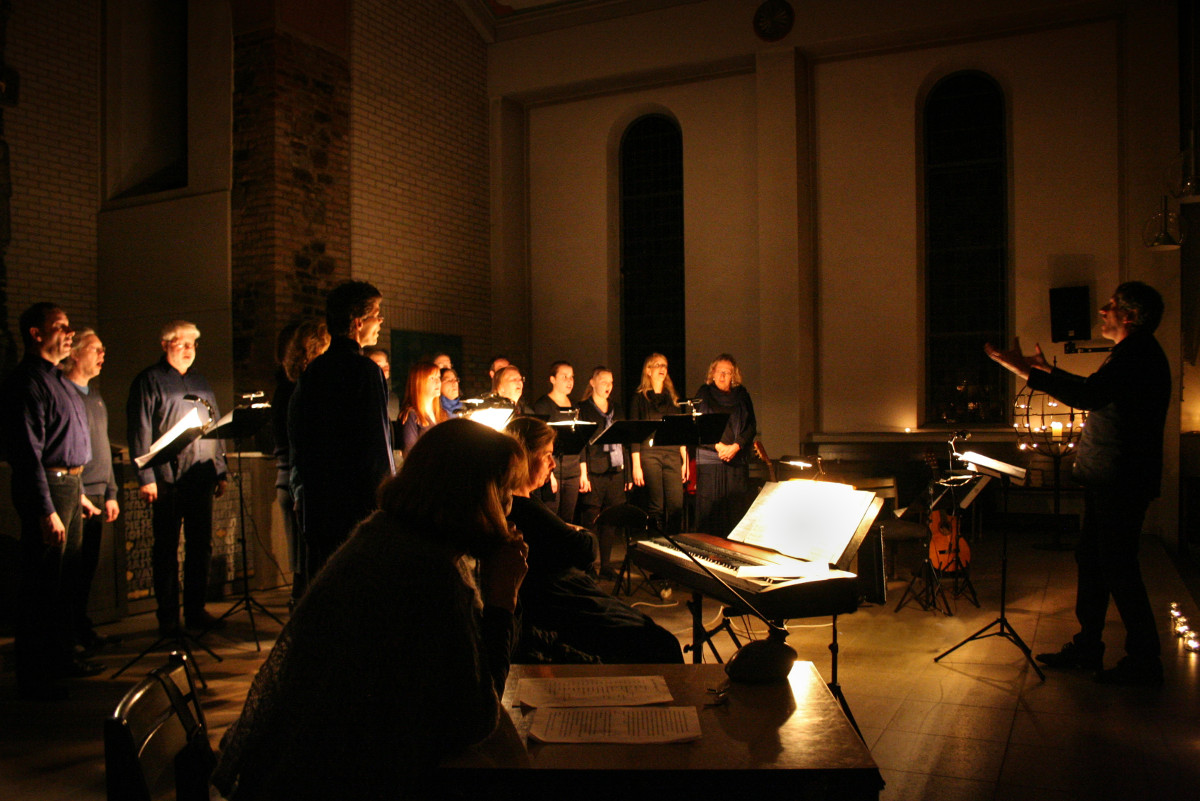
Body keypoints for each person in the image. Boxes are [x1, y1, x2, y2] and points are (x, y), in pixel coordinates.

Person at [212, 419, 529, 799]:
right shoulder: (426, 571)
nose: (510, 507)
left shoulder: (393, 535)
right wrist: (501, 602)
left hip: (308, 766)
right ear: (474, 494)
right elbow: (472, 720)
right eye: (505, 491)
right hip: (335, 780)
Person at [986, 281, 1170, 686]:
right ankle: (1088, 646)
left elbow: (1090, 397)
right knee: (1093, 562)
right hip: (1111, 478)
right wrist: (1039, 370)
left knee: (1119, 567)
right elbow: (1094, 390)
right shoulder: (1131, 353)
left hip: (1120, 479)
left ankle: (1144, 659)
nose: (1102, 311)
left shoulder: (1137, 353)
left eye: (1111, 306)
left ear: (1130, 315)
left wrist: (1030, 371)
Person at [505, 417, 683, 665]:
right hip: (564, 606)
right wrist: (580, 533)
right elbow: (587, 550)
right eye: (546, 455)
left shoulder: (523, 504)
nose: (553, 464)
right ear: (524, 457)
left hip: (568, 597)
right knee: (661, 644)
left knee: (649, 630)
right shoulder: (525, 509)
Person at [1, 303, 100, 699]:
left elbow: (69, 442)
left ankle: (60, 658)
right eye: (59, 326)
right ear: (35, 334)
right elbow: (29, 454)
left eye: (69, 325)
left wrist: (81, 494)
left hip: (69, 489)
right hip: (50, 488)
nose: (69, 332)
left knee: (66, 581)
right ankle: (35, 672)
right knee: (42, 584)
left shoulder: (59, 380)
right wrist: (46, 510)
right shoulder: (27, 383)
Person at [289, 280, 395, 583]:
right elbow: (376, 443)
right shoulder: (365, 371)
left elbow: (298, 434)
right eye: (377, 314)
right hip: (357, 505)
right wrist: (385, 497)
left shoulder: (313, 371)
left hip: (320, 503)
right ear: (358, 323)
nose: (381, 322)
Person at [127, 320, 228, 635]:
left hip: (200, 477)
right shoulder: (149, 381)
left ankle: (196, 611)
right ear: (165, 345)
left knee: (201, 546)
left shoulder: (201, 382)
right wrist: (146, 477)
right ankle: (168, 617)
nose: (189, 350)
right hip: (167, 480)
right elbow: (140, 430)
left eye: (193, 344)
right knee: (166, 549)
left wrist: (220, 469)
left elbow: (213, 427)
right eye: (182, 343)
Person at [60, 328, 122, 653]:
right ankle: (67, 637)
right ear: (75, 353)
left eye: (103, 349)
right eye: (95, 349)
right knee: (68, 574)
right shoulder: (63, 393)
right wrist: (79, 492)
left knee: (86, 573)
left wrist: (111, 492)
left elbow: (103, 447)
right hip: (76, 495)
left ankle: (82, 629)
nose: (102, 355)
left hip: (99, 494)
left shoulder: (95, 396)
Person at [274, 320, 329, 606]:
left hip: (297, 478)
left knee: (305, 560)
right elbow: (296, 442)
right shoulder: (298, 389)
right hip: (298, 480)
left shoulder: (296, 386)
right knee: (305, 560)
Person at [694, 354, 756, 539]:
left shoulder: (742, 396)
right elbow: (698, 425)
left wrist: (736, 446)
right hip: (710, 462)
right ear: (712, 373)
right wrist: (719, 447)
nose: (722, 376)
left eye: (727, 373)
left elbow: (751, 426)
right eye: (719, 372)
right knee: (709, 516)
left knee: (735, 514)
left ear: (733, 376)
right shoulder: (704, 393)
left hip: (736, 462)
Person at [629, 353, 689, 534]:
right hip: (650, 454)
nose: (662, 369)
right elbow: (635, 434)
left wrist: (685, 460)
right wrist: (636, 465)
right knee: (656, 506)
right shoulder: (639, 398)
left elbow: (680, 431)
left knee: (676, 505)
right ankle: (656, 546)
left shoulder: (672, 398)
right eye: (657, 365)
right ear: (648, 370)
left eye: (665, 365)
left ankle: (674, 545)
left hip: (671, 455)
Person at [577, 366, 630, 570]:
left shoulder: (617, 409)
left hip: (616, 470)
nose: (608, 386)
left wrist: (628, 474)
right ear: (592, 383)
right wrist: (583, 472)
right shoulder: (583, 408)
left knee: (611, 519)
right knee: (591, 519)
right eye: (604, 381)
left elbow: (625, 440)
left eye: (611, 382)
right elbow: (581, 443)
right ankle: (589, 566)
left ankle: (606, 566)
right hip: (594, 469)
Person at [531, 360, 583, 523]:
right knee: (551, 518)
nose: (569, 381)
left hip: (572, 470)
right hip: (552, 470)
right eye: (564, 376)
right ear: (552, 379)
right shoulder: (543, 406)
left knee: (568, 518)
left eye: (572, 377)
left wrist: (583, 471)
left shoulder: (575, 406)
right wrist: (549, 474)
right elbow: (540, 444)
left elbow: (581, 441)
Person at [398, 361, 449, 454]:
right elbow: (410, 452)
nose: (438, 381)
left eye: (438, 377)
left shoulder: (442, 414)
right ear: (419, 382)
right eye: (432, 378)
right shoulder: (412, 415)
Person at [363, 346, 400, 422]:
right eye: (379, 366)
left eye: (386, 364)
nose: (386, 368)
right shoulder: (365, 397)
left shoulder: (392, 398)